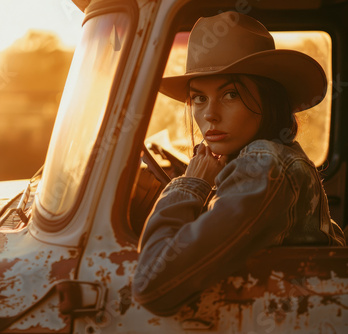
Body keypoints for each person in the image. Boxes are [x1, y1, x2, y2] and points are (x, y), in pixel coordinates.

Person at [132, 11, 346, 316]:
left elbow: (152, 284)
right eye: (199, 99)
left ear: (268, 100)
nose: (209, 115)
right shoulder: (266, 158)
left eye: (230, 94)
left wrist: (190, 185)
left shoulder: (264, 165)